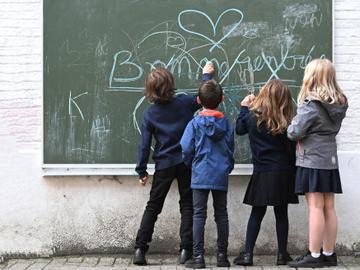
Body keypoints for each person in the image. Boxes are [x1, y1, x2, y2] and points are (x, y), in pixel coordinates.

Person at [133, 67, 209, 265]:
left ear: (150, 90)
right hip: (186, 162)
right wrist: (206, 76)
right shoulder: (184, 103)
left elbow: (144, 145)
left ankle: (140, 250)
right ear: (170, 84)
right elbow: (204, 97)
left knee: (153, 206)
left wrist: (141, 170)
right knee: (187, 205)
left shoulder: (150, 114)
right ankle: (185, 250)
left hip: (164, 164)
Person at [287, 59, 348, 268]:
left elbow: (293, 132)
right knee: (329, 207)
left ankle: (313, 255)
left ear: (312, 77)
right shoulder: (339, 103)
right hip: (330, 160)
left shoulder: (311, 106)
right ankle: (329, 253)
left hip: (312, 159)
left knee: (315, 207)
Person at [234, 80, 299, 266]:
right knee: (281, 214)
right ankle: (282, 255)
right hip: (282, 172)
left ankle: (247, 254)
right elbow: (290, 151)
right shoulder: (285, 122)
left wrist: (244, 108)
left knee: (257, 213)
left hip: (262, 172)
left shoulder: (252, 118)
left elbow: (239, 130)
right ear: (284, 100)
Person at [180, 63, 234, 269]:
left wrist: (191, 163)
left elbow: (185, 148)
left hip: (200, 172)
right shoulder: (226, 124)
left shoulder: (194, 124)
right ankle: (222, 256)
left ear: (198, 101)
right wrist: (227, 167)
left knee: (198, 214)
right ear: (222, 100)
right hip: (220, 174)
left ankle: (199, 258)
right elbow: (230, 148)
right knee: (221, 213)